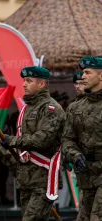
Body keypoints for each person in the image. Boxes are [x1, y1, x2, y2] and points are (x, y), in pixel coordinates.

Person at [0, 66, 65, 221]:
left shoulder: (50, 108)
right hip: (27, 179)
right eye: (24, 81)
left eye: (29, 81)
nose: (24, 84)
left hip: (42, 178)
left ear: (41, 84)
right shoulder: (27, 108)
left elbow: (42, 139)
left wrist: (12, 141)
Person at [62, 56, 102, 220]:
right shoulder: (75, 107)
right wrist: (74, 155)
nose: (82, 76)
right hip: (86, 175)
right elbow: (67, 139)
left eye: (87, 72)